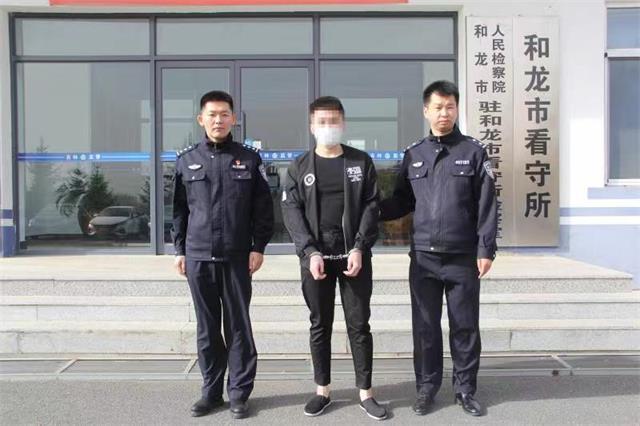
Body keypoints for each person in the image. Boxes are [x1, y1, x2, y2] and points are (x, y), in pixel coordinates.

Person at [380, 80, 498, 417]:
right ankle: (426, 388)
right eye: (437, 107)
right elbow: (401, 201)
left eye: (449, 106)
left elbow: (487, 205)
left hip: (462, 257)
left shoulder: (474, 152)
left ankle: (465, 390)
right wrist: (368, 209)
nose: (443, 113)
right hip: (424, 259)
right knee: (425, 328)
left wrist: (485, 249)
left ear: (457, 109)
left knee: (465, 326)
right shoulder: (414, 154)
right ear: (426, 111)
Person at [281, 96, 387, 420]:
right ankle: (322, 390)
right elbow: (291, 212)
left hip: (353, 254)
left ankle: (366, 392)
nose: (329, 127)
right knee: (319, 324)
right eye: (322, 122)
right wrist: (309, 251)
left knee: (359, 324)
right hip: (316, 255)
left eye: (334, 121)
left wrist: (360, 246)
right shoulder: (299, 167)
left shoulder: (360, 162)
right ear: (312, 126)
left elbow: (371, 206)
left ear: (343, 123)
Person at [171, 90, 274, 419]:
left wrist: (258, 247)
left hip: (237, 257)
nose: (218, 120)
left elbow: (263, 209)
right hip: (198, 256)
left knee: (238, 327)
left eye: (224, 114)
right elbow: (179, 212)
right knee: (207, 329)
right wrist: (179, 250)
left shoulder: (249, 159)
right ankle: (211, 392)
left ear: (233, 119)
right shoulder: (186, 160)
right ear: (201, 119)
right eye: (212, 115)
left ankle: (239, 394)